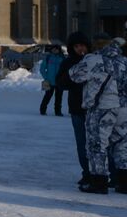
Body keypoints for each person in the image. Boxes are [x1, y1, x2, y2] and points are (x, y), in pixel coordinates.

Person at [68, 38, 127, 194]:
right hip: (124, 108)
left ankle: (98, 181)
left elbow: (74, 75)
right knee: (122, 144)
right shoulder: (124, 61)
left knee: (97, 144)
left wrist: (85, 59)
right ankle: (124, 181)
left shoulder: (94, 59)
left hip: (102, 107)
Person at [59, 32, 92, 187]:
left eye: (82, 45)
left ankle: (106, 173)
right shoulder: (68, 62)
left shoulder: (94, 61)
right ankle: (87, 172)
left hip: (95, 108)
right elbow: (60, 83)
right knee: (82, 143)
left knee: (101, 143)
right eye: (77, 46)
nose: (80, 49)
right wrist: (74, 76)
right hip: (77, 107)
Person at [38, 44, 65, 116]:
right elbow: (42, 69)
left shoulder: (62, 58)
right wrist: (46, 77)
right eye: (53, 49)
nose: (54, 50)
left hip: (59, 82)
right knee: (47, 96)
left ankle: (58, 111)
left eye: (56, 49)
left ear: (59, 50)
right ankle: (42, 110)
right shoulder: (48, 57)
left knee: (59, 98)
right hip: (49, 82)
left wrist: (63, 78)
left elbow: (65, 70)